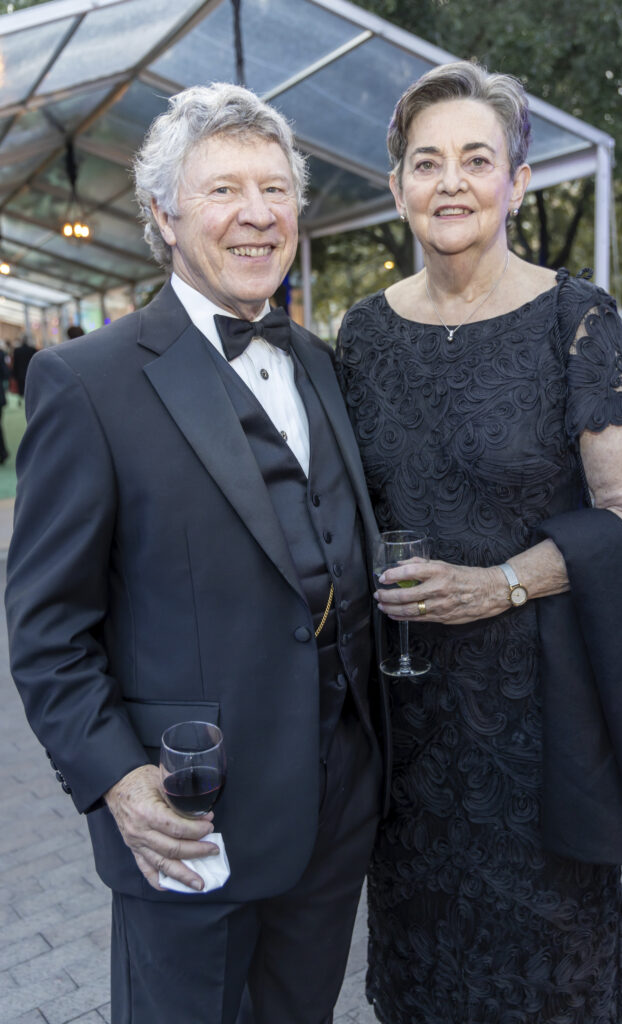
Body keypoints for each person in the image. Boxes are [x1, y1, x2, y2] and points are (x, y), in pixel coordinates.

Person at [6, 82, 385, 1024]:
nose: (256, 214)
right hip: (188, 816)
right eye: (223, 191)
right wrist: (118, 780)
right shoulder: (84, 381)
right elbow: (48, 626)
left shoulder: (321, 363)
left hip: (335, 809)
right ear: (163, 217)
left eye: (275, 189)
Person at [337, 60, 622, 1023]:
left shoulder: (578, 319)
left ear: (516, 183)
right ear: (396, 184)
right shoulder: (360, 335)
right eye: (426, 162)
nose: (450, 183)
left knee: (550, 982)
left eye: (475, 160)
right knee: (420, 979)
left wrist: (503, 584)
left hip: (545, 726)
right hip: (411, 732)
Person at [10, 333, 37, 399]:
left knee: (21, 388)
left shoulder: (17, 350)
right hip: (31, 372)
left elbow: (15, 363)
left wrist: (14, 374)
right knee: (29, 389)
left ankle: (21, 400)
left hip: (20, 373)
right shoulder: (32, 350)